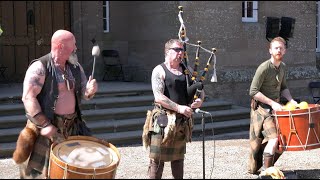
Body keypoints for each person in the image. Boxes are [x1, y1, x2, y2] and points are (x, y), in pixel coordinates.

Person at [13, 29, 98, 179]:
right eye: (73, 45)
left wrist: (90, 91)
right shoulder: (40, 67)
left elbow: (85, 93)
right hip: (45, 126)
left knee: (73, 169)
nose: (76, 49)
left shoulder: (75, 67)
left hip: (73, 125)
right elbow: (28, 98)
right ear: (60, 46)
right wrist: (45, 124)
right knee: (37, 173)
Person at [146, 38, 205, 179]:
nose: (181, 53)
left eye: (182, 50)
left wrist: (199, 101)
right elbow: (158, 97)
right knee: (157, 160)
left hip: (181, 122)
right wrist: (179, 108)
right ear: (167, 52)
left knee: (178, 160)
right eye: (177, 50)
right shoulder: (159, 70)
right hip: (162, 121)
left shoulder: (188, 70)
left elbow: (200, 90)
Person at [248, 36, 298, 174]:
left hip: (276, 109)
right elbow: (253, 91)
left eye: (281, 48)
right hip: (262, 110)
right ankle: (267, 171)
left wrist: (291, 100)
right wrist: (272, 103)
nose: (279, 51)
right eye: (276, 48)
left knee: (282, 138)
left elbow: (284, 87)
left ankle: (267, 169)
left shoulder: (282, 67)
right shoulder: (263, 68)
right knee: (273, 138)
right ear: (270, 50)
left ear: (285, 51)